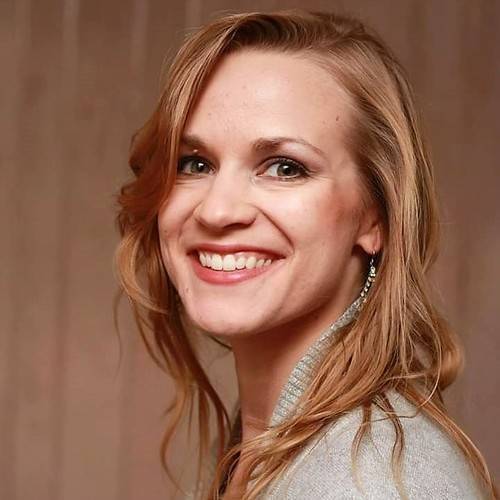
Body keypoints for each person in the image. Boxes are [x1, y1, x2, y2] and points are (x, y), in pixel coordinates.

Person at [114, 9, 497, 500]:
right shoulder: (267, 443)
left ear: (376, 217)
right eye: (195, 163)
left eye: (285, 168)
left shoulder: (371, 484)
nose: (216, 210)